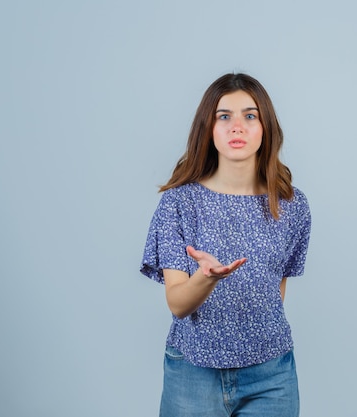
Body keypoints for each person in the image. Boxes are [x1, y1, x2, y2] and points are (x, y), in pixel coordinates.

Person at [140, 73, 311, 417]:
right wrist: (206, 278)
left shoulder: (292, 206)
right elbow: (177, 304)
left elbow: (274, 294)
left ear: (266, 128)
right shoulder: (178, 204)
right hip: (193, 372)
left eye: (250, 116)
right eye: (224, 116)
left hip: (271, 376)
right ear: (209, 128)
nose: (237, 127)